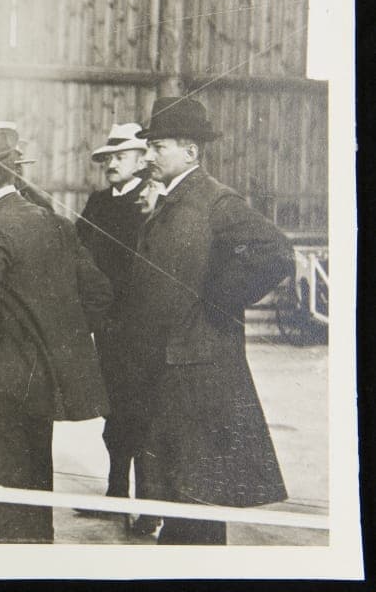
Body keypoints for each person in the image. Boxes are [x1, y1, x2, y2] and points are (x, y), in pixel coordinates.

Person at [125, 96, 293, 545]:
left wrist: (216, 297)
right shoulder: (174, 199)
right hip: (172, 370)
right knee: (183, 497)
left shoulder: (215, 200)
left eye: (157, 146)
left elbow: (276, 251)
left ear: (190, 151)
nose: (148, 155)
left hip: (199, 377)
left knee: (198, 502)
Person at [0, 118, 111, 543]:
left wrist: (6, 344)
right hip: (42, 384)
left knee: (0, 489)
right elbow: (99, 294)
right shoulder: (55, 223)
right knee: (36, 484)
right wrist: (55, 337)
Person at [74, 123, 159, 533]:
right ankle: (115, 494)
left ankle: (150, 507)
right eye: (108, 158)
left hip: (142, 328)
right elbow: (79, 251)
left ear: (142, 160)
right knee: (114, 415)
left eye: (120, 157)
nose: (111, 164)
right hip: (107, 329)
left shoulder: (151, 202)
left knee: (141, 418)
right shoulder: (97, 202)